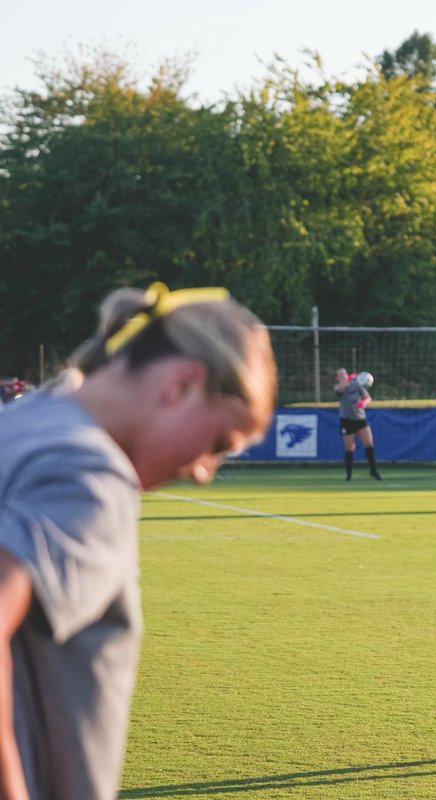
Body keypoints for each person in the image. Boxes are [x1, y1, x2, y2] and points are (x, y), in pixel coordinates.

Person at [0, 281, 277, 799]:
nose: (203, 473)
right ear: (183, 385)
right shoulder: (91, 476)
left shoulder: (18, 426)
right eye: (219, 443)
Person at [334, 367, 381, 481]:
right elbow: (340, 389)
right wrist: (348, 379)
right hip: (347, 420)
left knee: (369, 444)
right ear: (338, 377)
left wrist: (363, 403)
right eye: (340, 375)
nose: (343, 376)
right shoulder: (338, 387)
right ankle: (349, 475)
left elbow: (367, 398)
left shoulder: (356, 385)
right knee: (350, 447)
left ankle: (373, 471)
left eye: (344, 374)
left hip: (360, 419)